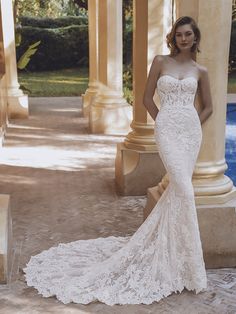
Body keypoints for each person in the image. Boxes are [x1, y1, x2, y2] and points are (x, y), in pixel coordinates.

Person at [24, 16, 213, 305]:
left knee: (180, 192)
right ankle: (183, 263)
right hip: (167, 131)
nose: (183, 39)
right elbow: (146, 98)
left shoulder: (200, 70)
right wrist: (163, 122)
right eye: (179, 34)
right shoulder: (161, 61)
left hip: (190, 133)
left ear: (195, 37)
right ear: (173, 38)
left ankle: (180, 262)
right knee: (184, 191)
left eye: (188, 34)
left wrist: (193, 126)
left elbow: (209, 107)